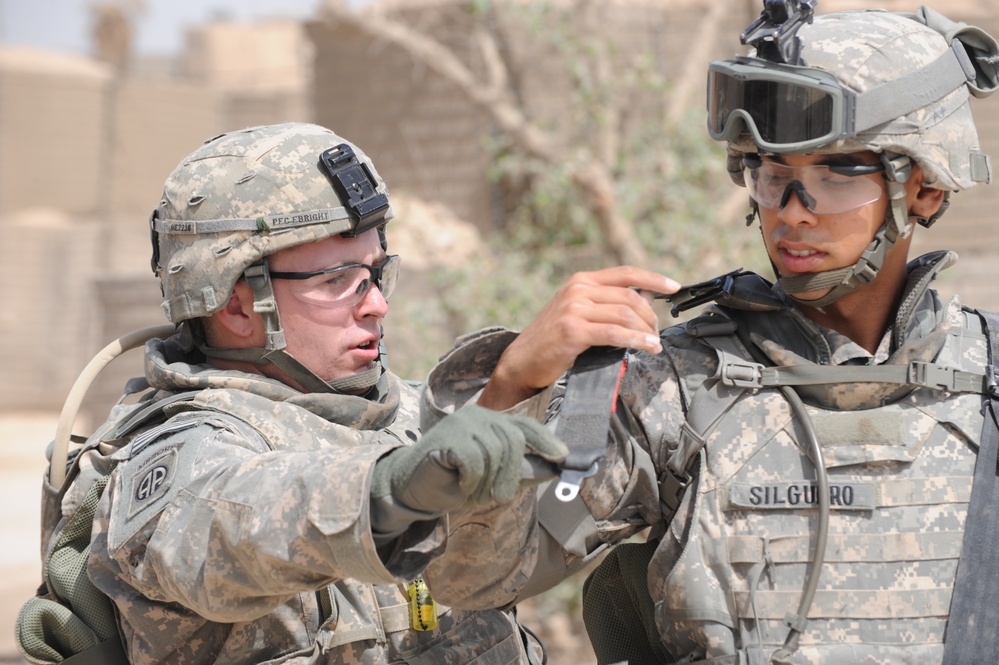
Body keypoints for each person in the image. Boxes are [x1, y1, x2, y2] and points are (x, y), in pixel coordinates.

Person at [418, 4, 999, 663]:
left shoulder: (988, 384)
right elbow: (472, 575)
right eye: (771, 176)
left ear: (922, 187)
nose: (789, 213)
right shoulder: (669, 389)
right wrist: (512, 385)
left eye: (832, 175)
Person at [17, 122, 567, 665]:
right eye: (338, 281)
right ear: (237, 306)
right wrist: (390, 490)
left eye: (377, 274)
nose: (376, 303)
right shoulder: (178, 455)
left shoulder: (406, 413)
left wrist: (527, 382)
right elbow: (235, 520)